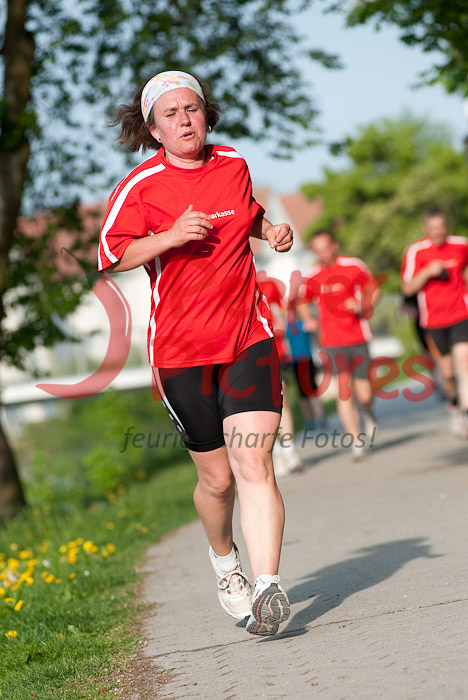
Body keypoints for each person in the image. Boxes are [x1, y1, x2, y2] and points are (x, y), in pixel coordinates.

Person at [98, 71, 293, 635]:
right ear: (154, 129)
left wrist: (269, 230)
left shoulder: (232, 163)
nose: (185, 120)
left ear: (206, 114)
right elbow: (110, 256)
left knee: (254, 462)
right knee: (219, 481)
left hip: (247, 337)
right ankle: (226, 563)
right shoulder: (140, 187)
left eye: (192, 109)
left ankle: (268, 587)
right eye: (171, 114)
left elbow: (243, 212)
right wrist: (170, 236)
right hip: (181, 352)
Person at [297, 231, 380, 461]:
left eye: (325, 248)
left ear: (334, 246)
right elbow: (302, 301)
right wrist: (308, 319)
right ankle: (356, 442)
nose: (322, 253)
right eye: (317, 250)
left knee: (365, 394)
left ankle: (368, 413)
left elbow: (374, 290)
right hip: (332, 342)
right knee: (344, 391)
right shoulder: (312, 276)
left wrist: (362, 305)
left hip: (358, 336)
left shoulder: (353, 266)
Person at [401, 207, 468, 438]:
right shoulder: (416, 251)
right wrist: (428, 272)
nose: (438, 232)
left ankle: (466, 411)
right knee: (447, 372)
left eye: (441, 227)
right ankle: (454, 404)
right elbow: (407, 288)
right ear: (425, 228)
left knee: (464, 359)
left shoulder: (461, 245)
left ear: (447, 226)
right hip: (433, 320)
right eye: (433, 228)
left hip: (461, 314)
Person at [256, 273, 303, 476]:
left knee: (281, 401)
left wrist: (282, 322)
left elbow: (283, 309)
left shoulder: (268, 284)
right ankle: (275, 454)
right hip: (249, 355)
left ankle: (289, 451)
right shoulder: (230, 283)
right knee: (260, 407)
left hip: (275, 349)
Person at [285, 316, 326, 432]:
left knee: (311, 390)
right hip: (295, 362)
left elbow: (316, 333)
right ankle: (310, 420)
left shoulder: (303, 323)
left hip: (307, 360)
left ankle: (319, 418)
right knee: (302, 393)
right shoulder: (286, 326)